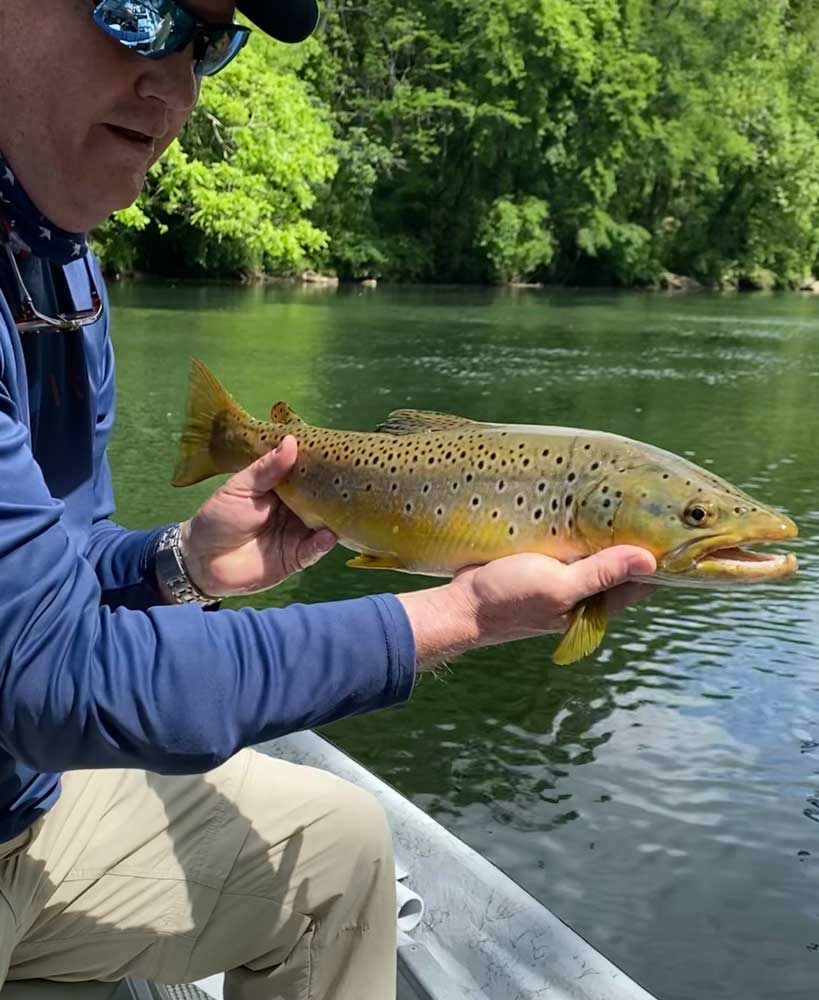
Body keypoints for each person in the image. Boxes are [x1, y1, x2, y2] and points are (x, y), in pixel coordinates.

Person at [0, 2, 657, 997]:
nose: (176, 88)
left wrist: (176, 566)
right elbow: (50, 679)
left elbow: (61, 577)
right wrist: (462, 614)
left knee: (346, 846)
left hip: (23, 810)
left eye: (208, 43)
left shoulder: (57, 265)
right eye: (140, 13)